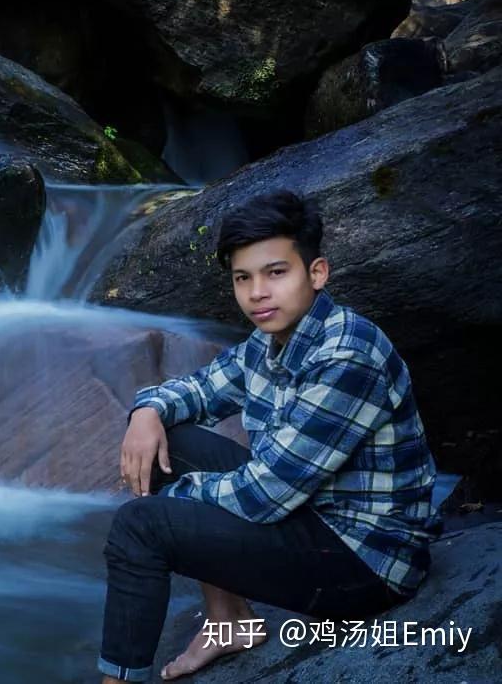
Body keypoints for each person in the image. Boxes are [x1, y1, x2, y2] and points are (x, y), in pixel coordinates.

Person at [97, 189, 442, 682]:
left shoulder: (347, 355)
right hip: (309, 515)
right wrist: (147, 410)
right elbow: (200, 389)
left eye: (276, 272)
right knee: (168, 439)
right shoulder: (269, 341)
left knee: (141, 526)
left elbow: (266, 496)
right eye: (243, 278)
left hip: (366, 559)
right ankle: (229, 622)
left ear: (316, 273)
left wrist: (176, 501)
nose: (257, 292)